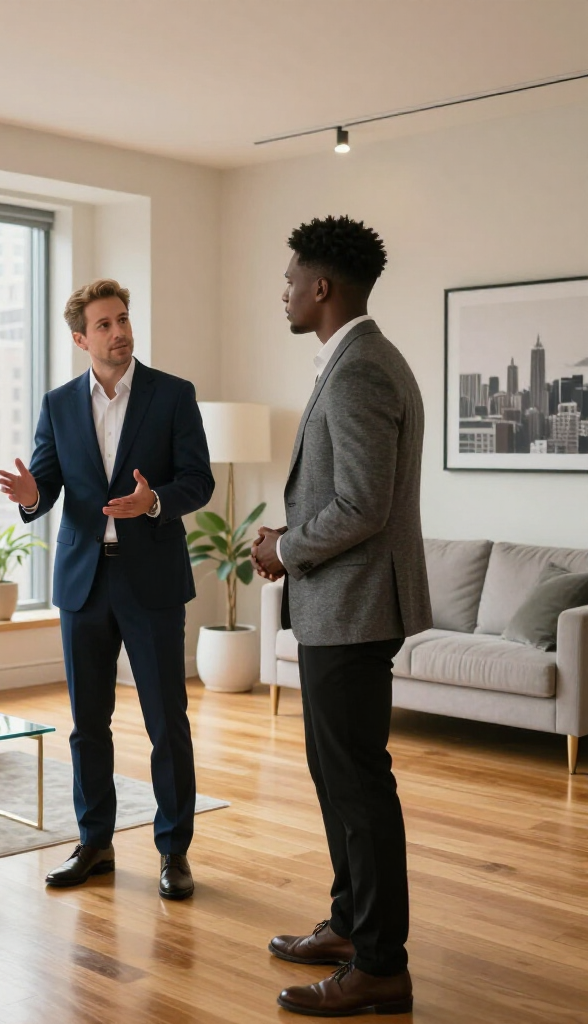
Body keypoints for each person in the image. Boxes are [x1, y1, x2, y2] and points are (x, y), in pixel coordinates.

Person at [251, 217, 431, 1016]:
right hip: (343, 609)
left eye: (291, 279)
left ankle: (381, 965)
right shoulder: (357, 358)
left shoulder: (360, 369)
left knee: (357, 785)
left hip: (354, 610)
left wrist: (286, 548)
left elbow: (362, 503)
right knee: (339, 778)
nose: (284, 291)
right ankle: (353, 928)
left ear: (322, 288)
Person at [0, 279, 214, 900]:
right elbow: (46, 484)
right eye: (104, 325)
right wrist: (33, 496)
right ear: (79, 338)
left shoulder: (173, 395)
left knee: (165, 722)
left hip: (150, 580)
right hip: (84, 581)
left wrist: (154, 503)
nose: (118, 332)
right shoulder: (60, 403)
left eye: (122, 320)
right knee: (87, 724)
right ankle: (95, 843)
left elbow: (198, 482)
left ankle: (174, 851)